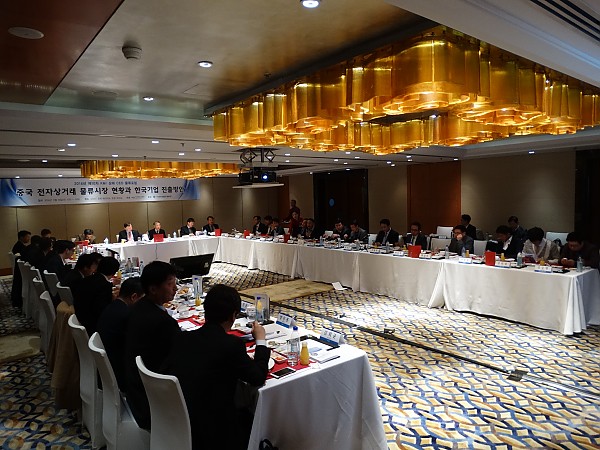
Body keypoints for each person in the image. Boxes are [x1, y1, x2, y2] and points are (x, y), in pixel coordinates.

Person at [163, 284, 270, 450]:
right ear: (233, 315)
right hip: (215, 430)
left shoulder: (182, 338)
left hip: (178, 419)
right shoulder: (231, 345)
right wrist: (261, 341)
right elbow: (257, 377)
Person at [125, 261, 181, 430]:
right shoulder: (163, 322)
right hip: (151, 400)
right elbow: (177, 359)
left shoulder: (137, 307)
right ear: (153, 289)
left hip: (134, 387)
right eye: (170, 284)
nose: (175, 289)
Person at [97, 277, 144, 392]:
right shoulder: (126, 315)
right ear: (134, 297)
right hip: (121, 372)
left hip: (107, 365)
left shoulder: (112, 306)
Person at [72, 256, 120, 336]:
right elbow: (102, 311)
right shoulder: (105, 285)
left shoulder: (86, 279)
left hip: (80, 316)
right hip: (92, 325)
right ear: (113, 273)